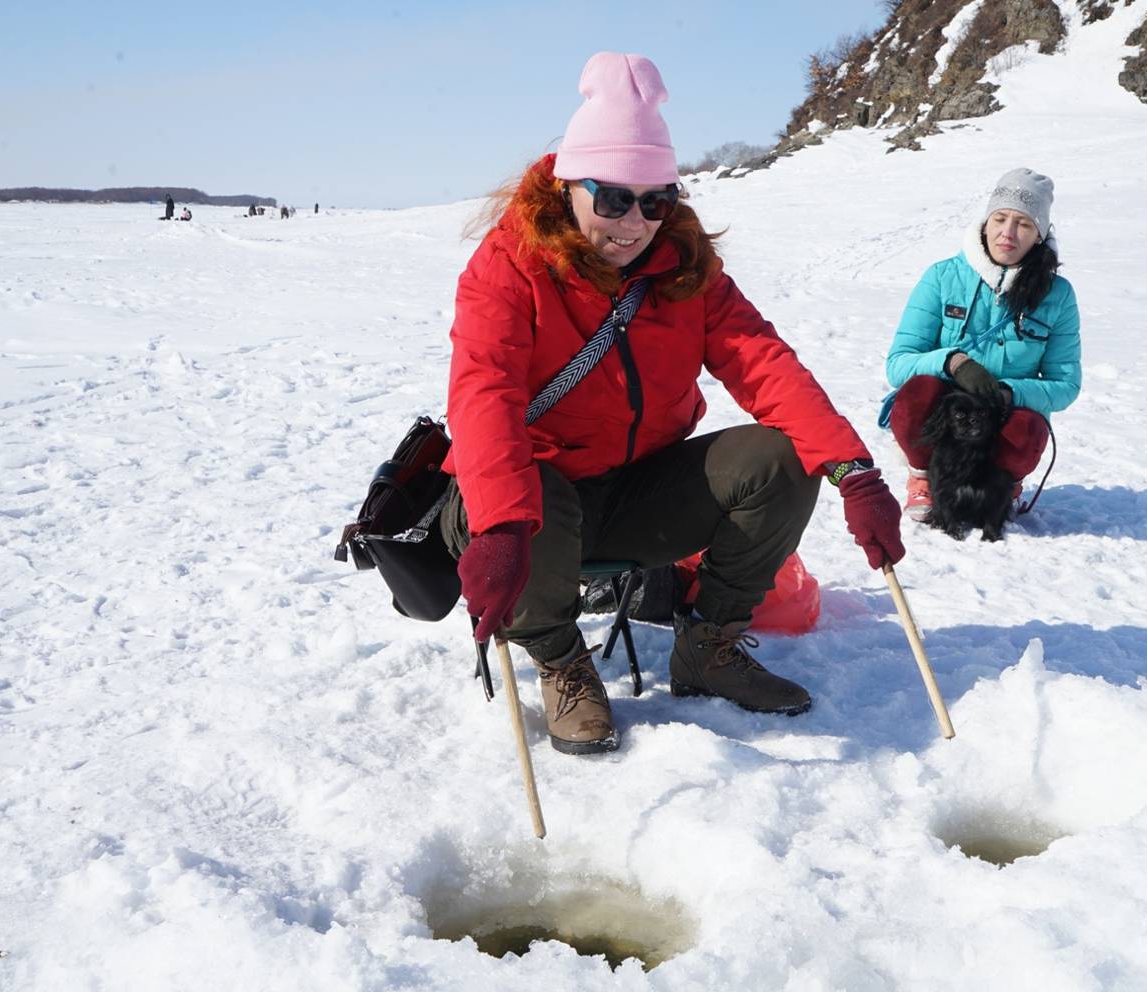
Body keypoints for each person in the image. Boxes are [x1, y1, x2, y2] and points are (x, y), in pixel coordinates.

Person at [441, 52, 904, 756]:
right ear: (569, 187)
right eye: (614, 197)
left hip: (633, 494)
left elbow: (764, 364)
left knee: (779, 458)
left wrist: (853, 471)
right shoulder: (509, 267)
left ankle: (709, 644)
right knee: (527, 488)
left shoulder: (687, 270)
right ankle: (561, 659)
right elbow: (485, 397)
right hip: (528, 507)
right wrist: (500, 526)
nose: (636, 222)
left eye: (657, 199)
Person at [879, 168, 1082, 523]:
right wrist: (953, 363)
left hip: (1002, 415)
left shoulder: (1058, 295)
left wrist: (1008, 392)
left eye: (1024, 223)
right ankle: (924, 478)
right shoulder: (942, 277)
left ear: (1039, 234)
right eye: (1000, 218)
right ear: (985, 222)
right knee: (917, 394)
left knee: (1029, 430)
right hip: (948, 413)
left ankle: (1005, 486)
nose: (1008, 232)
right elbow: (898, 364)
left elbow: (1065, 385)